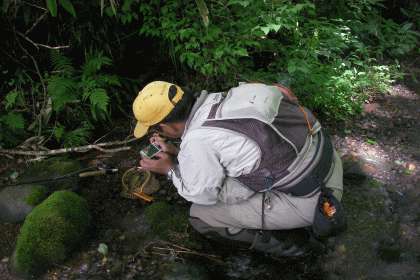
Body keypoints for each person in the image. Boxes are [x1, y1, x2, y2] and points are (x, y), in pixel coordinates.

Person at [132, 81, 344, 257]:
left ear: (165, 128)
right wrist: (179, 153)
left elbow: (203, 195)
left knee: (200, 216)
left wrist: (169, 169)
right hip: (329, 161)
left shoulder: (198, 141)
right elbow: (233, 146)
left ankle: (300, 247)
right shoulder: (227, 97)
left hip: (317, 203)